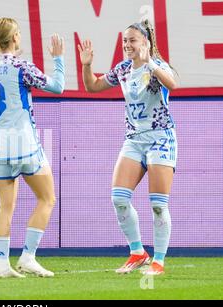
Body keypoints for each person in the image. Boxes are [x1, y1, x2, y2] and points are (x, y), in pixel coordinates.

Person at [77, 19, 178, 275]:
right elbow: (92, 86)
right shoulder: (123, 69)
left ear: (145, 42)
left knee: (158, 205)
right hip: (134, 140)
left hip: (160, 138)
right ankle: (137, 252)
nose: (127, 45)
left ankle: (159, 261)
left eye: (132, 40)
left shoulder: (157, 66)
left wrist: (151, 63)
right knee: (119, 198)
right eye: (125, 41)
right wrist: (86, 66)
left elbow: (172, 84)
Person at [0, 18, 65, 278]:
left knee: (5, 207)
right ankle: (27, 257)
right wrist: (58, 58)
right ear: (15, 37)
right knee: (47, 199)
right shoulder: (21, 67)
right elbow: (57, 86)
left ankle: (2, 265)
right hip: (24, 144)